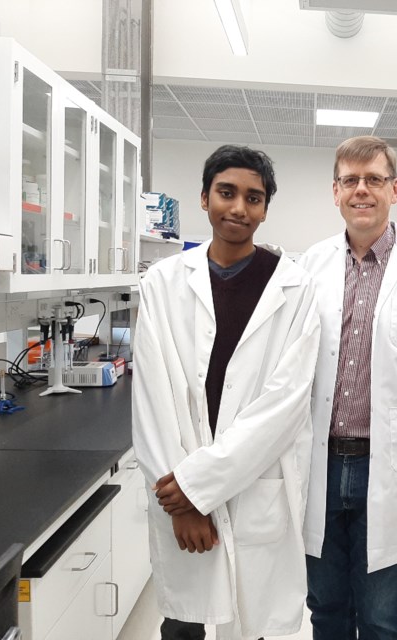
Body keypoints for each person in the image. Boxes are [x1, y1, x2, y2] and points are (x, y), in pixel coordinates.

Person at [132, 145, 322, 640]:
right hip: (178, 484)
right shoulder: (163, 282)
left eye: (253, 198)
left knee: (251, 615)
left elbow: (285, 405)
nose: (238, 208)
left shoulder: (294, 287)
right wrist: (184, 502)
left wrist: (199, 488)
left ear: (265, 209)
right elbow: (153, 398)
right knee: (183, 621)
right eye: (226, 193)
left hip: (254, 482)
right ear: (203, 198)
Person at [299, 135, 397, 639]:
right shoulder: (310, 265)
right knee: (325, 607)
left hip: (388, 465)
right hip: (319, 464)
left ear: (394, 189)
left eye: (373, 180)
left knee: (379, 615)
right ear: (335, 191)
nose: (361, 190)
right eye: (351, 180)